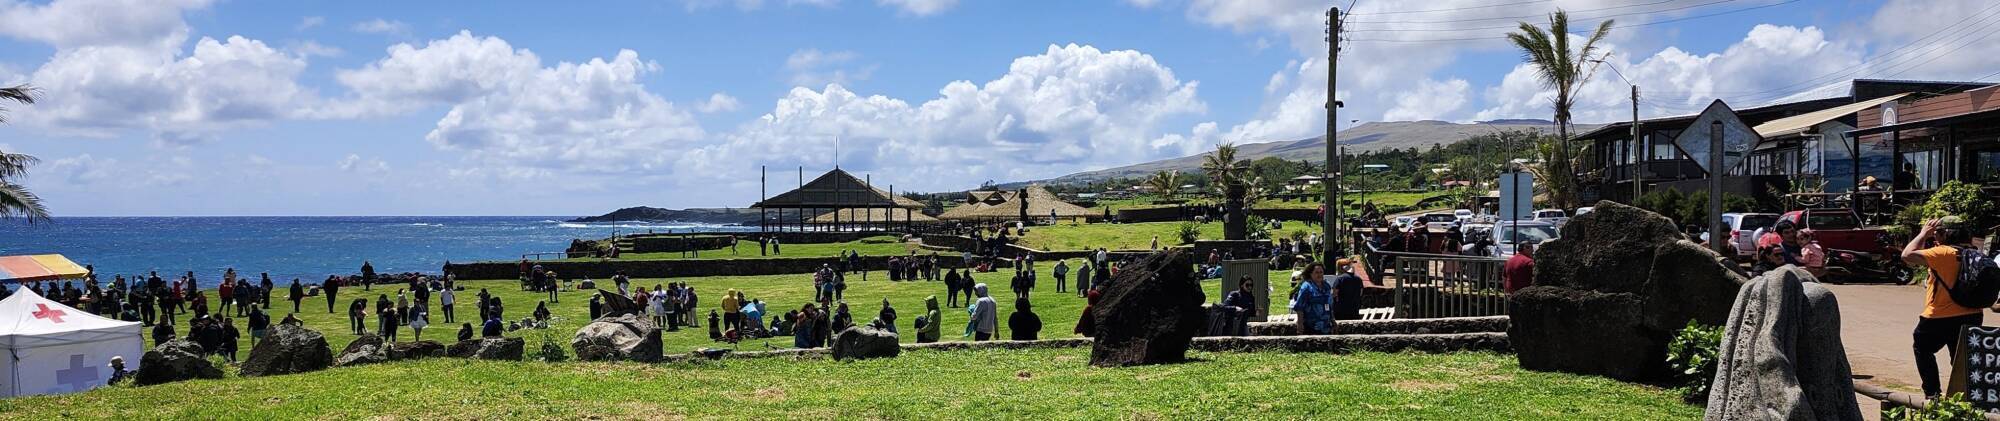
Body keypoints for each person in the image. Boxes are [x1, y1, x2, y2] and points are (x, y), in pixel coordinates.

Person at [1903, 217, 1984, 398]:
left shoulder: (1942, 253)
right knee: (1961, 359)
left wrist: (1923, 233)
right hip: (1973, 314)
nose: (1935, 238)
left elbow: (1907, 255)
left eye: (1937, 234)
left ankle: (1933, 394)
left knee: (1922, 349)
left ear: (1945, 234)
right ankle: (1967, 397)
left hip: (1939, 316)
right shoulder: (1975, 253)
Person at [1289, 263, 1332, 335]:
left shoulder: (1326, 286)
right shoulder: (1306, 287)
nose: (1319, 274)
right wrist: (1300, 324)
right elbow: (1299, 307)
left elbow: (1330, 305)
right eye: (1316, 272)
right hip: (1310, 327)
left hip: (1326, 326)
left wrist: (1333, 321)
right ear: (1310, 274)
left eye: (1321, 272)